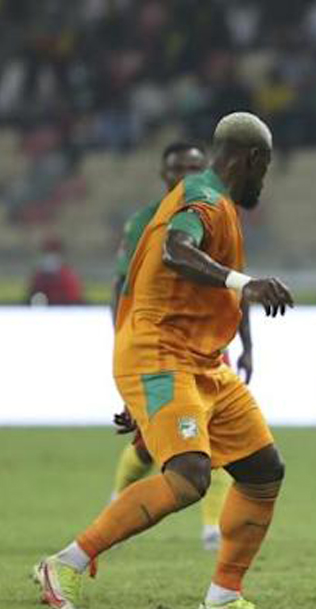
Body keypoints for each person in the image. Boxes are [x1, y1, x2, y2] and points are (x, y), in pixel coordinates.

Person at [34, 112, 294, 609]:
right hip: (160, 354)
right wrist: (246, 284)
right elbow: (177, 250)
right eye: (264, 169)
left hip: (201, 362)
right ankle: (65, 563)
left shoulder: (218, 204)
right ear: (252, 159)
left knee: (264, 471)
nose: (263, 181)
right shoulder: (204, 198)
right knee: (190, 475)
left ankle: (223, 598)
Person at [109, 141, 254, 552]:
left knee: (214, 437)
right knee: (147, 444)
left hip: (208, 344)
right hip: (159, 346)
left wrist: (247, 345)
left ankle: (211, 529)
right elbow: (123, 288)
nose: (186, 175)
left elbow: (236, 287)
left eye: (194, 167)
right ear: (164, 173)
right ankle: (118, 502)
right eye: (178, 168)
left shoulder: (220, 215)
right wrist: (125, 343)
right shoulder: (143, 223)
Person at [26, 239, 83, 305]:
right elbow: (33, 295)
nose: (49, 258)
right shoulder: (39, 276)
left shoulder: (67, 276)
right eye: (47, 253)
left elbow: (72, 297)